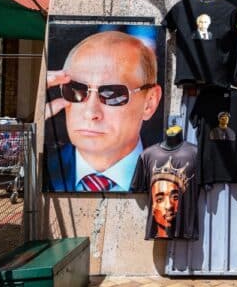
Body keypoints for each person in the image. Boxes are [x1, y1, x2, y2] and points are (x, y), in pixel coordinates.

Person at [45, 31, 162, 192]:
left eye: (112, 94)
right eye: (75, 90)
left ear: (149, 103)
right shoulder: (43, 171)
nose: (91, 113)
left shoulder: (172, 177)